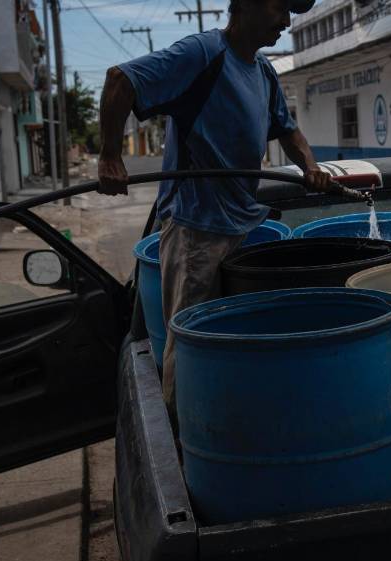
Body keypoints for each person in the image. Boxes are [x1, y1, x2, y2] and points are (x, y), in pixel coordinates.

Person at [97, 0, 329, 412]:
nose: (286, 22)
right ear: (243, 6)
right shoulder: (203, 54)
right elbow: (120, 80)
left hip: (242, 228)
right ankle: (182, 448)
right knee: (191, 352)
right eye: (278, 8)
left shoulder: (263, 72)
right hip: (196, 233)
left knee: (232, 349)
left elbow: (288, 131)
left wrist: (311, 167)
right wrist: (110, 157)